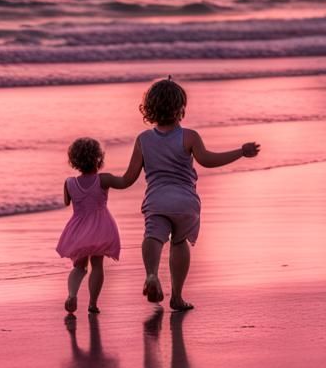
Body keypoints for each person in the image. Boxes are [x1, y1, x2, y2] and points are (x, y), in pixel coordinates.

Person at [108, 77, 260, 311]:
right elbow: (208, 160)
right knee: (179, 242)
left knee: (153, 237)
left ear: (149, 109)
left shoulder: (143, 140)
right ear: (181, 108)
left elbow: (127, 179)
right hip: (185, 203)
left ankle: (151, 274)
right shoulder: (189, 137)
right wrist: (240, 152)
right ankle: (177, 297)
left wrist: (103, 181)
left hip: (156, 201)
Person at [56, 136, 122, 315]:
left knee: (78, 267)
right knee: (97, 265)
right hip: (100, 228)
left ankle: (72, 295)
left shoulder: (69, 183)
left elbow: (66, 202)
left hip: (78, 229)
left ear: (74, 161)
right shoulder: (103, 179)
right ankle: (92, 304)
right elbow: (125, 182)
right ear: (98, 158)